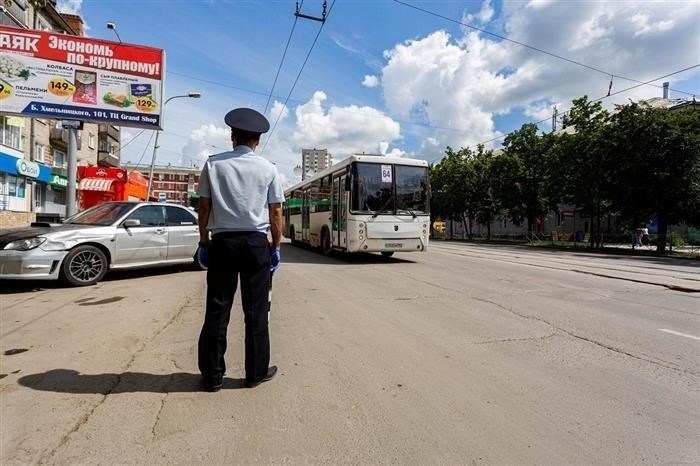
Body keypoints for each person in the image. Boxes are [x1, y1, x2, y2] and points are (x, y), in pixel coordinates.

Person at [196, 107, 285, 392]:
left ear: (232, 136)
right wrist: (275, 245)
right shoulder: (269, 169)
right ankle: (255, 373)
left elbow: (204, 207)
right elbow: (275, 213)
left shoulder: (213, 164)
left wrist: (203, 242)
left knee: (217, 309)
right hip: (255, 244)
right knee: (256, 310)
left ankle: (212, 377)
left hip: (222, 243)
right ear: (257, 140)